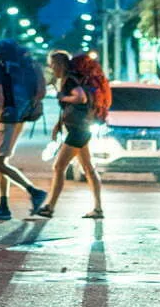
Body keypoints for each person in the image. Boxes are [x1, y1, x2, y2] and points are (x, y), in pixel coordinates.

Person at [0, 37, 47, 221]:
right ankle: (3, 205)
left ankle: (34, 192)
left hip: (7, 118)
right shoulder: (4, 68)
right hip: (16, 113)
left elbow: (0, 98)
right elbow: (4, 97)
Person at [34, 51, 107, 219]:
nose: (51, 68)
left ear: (59, 64)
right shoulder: (68, 80)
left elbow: (80, 98)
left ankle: (50, 207)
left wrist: (63, 97)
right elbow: (70, 109)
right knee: (88, 168)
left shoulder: (69, 80)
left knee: (59, 167)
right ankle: (98, 209)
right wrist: (58, 125)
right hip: (80, 128)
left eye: (53, 65)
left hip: (78, 130)